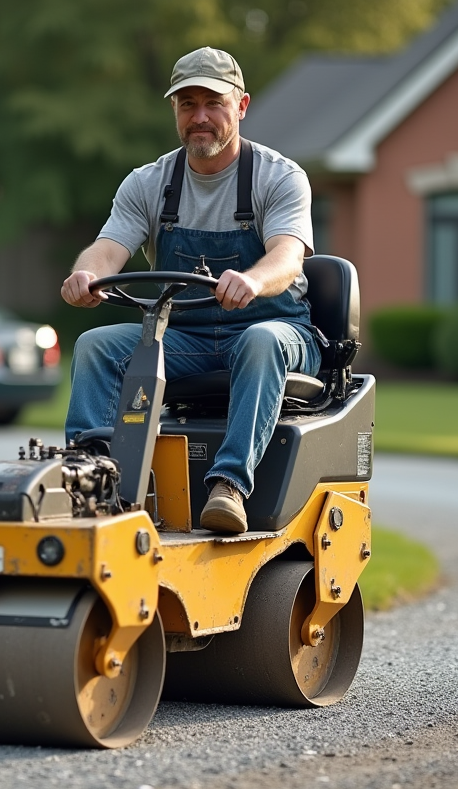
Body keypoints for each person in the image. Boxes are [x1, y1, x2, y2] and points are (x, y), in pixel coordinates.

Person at [61, 46, 319, 534]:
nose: (199, 117)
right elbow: (108, 248)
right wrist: (86, 275)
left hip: (276, 330)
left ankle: (229, 486)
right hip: (186, 339)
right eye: (187, 104)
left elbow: (287, 257)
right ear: (175, 110)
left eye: (213, 103)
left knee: (260, 341)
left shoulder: (280, 177)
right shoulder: (147, 184)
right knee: (96, 346)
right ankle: (90, 483)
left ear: (241, 106)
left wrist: (252, 280)